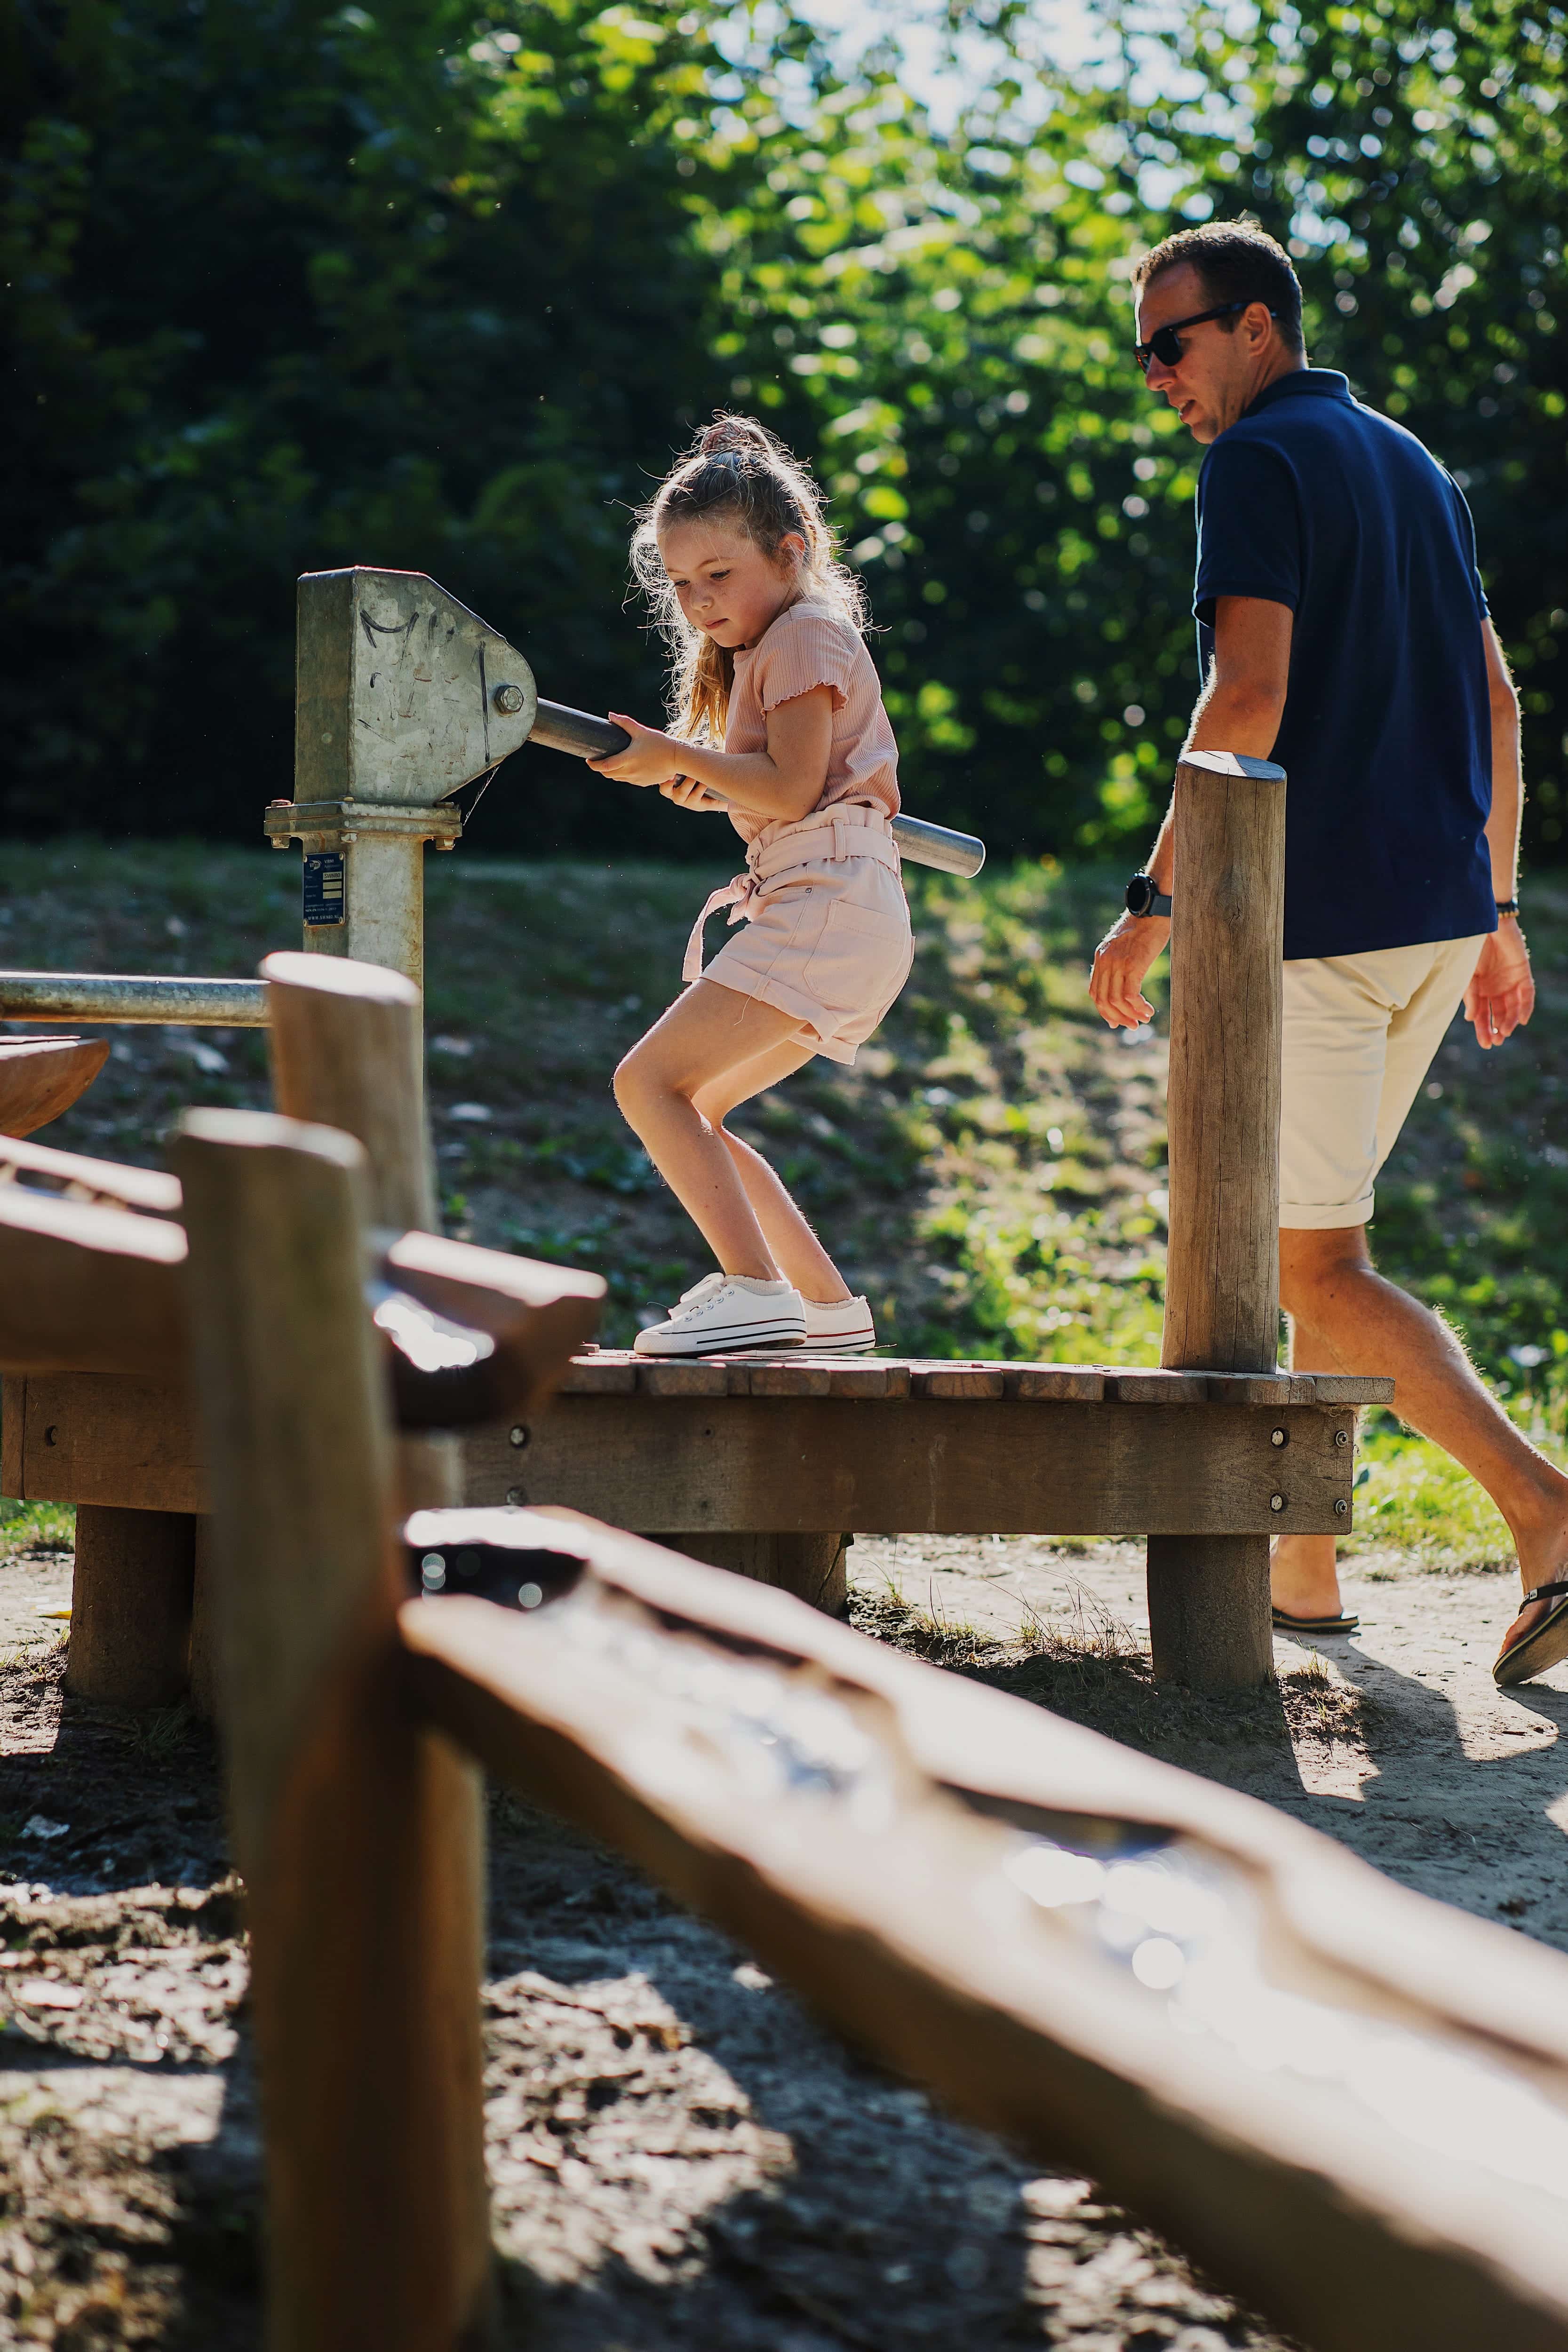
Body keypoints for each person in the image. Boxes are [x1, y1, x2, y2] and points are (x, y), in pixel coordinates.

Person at [1087, 218, 1568, 1690]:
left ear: (1252, 327)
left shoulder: (1255, 461)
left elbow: (1244, 696)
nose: (1155, 375)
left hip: (1323, 924)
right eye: (1141, 353)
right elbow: (1494, 700)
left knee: (1318, 1267)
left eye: (1170, 343)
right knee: (1315, 1243)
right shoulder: (1413, 461)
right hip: (1429, 918)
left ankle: (1545, 1514)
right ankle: (1302, 1566)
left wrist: (1151, 897)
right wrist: (1492, 912)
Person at [588, 413, 914, 1360]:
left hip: (828, 900)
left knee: (646, 1082)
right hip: (832, 902)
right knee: (697, 1105)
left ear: (790, 550)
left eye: (717, 577)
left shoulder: (805, 631)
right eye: (681, 584)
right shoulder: (769, 650)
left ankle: (753, 1288)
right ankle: (824, 1306)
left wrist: (674, 755)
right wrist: (686, 777)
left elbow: (790, 788)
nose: (696, 602)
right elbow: (773, 790)